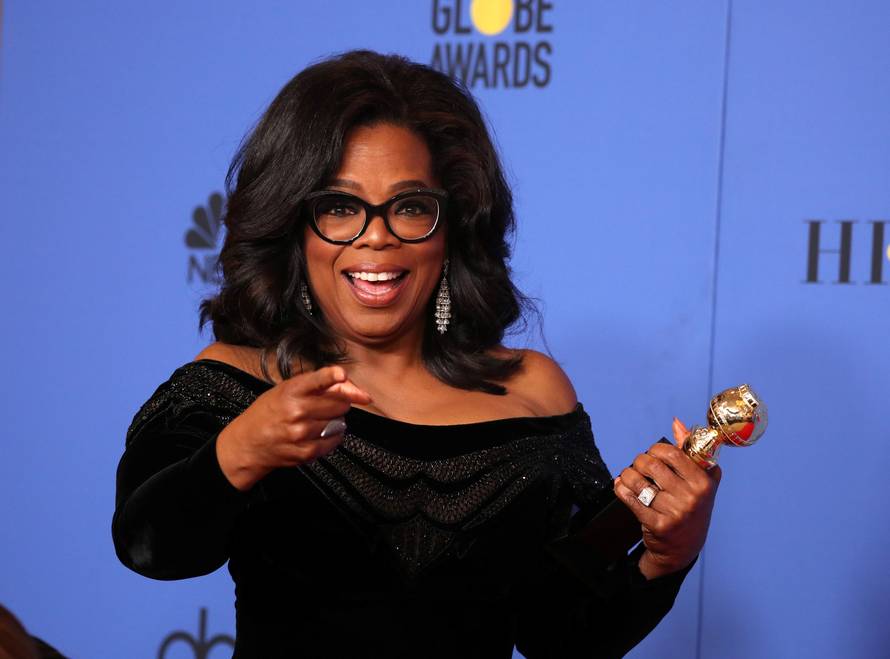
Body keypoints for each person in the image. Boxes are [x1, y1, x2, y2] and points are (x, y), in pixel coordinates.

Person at [112, 50, 720, 658]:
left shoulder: (533, 393)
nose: (376, 235)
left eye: (409, 206)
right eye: (339, 207)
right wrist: (244, 448)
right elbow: (149, 547)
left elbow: (558, 633)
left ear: (452, 226)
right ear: (294, 228)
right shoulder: (231, 384)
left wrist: (668, 556)